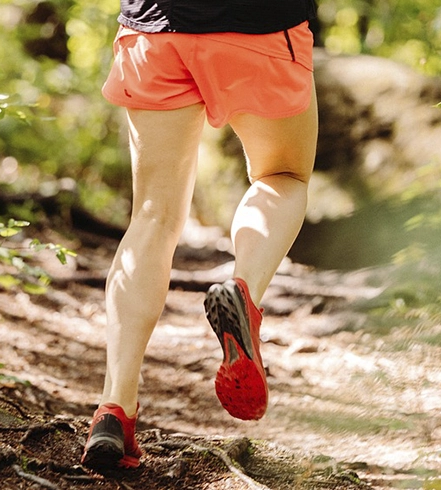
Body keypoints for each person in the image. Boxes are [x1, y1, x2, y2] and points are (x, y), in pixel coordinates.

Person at [80, 0, 320, 470]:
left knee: (153, 216)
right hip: (261, 24)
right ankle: (244, 292)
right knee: (283, 175)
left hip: (155, 29)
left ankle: (114, 409)